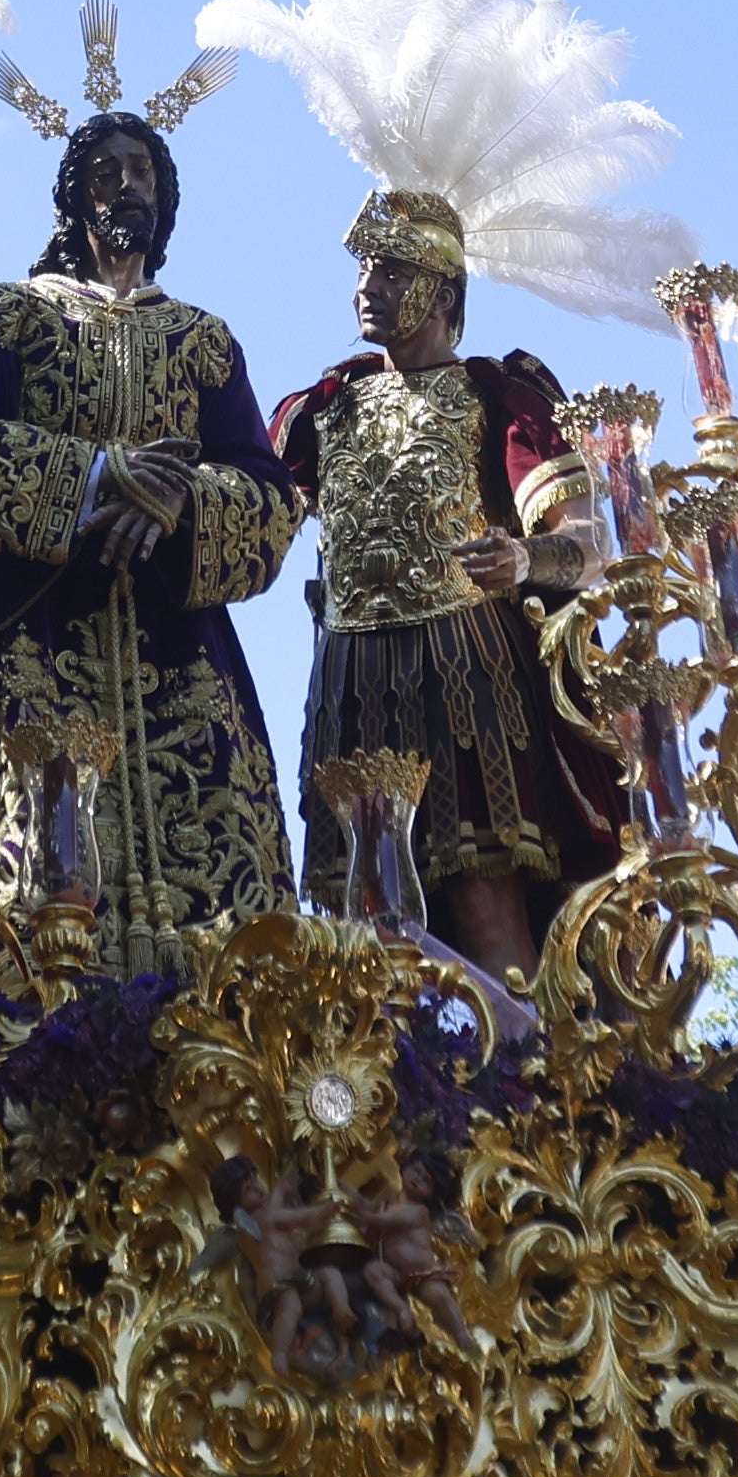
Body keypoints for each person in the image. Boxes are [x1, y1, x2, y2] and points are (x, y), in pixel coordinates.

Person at [0, 9, 303, 977]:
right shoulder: (6, 311)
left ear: (168, 200)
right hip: (31, 627)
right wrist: (94, 475)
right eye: (109, 170)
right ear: (73, 192)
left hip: (177, 642)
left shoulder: (204, 338)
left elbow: (269, 488)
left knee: (213, 909)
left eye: (146, 172)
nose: (128, 184)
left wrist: (181, 501)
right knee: (19, 884)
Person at [269, 192, 623, 973]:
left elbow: (588, 540)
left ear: (443, 291)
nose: (369, 285)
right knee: (362, 921)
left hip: (467, 673)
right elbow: (253, 520)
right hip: (349, 680)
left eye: (393, 271)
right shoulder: (324, 407)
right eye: (365, 270)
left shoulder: (498, 394)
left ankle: (524, 1082)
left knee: (480, 895)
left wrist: (526, 561)